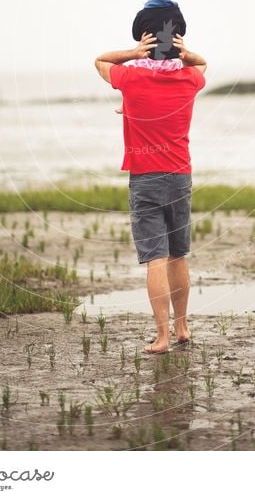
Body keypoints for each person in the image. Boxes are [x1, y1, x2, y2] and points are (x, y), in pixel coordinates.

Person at [94, 31, 207, 354]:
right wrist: (186, 54)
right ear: (176, 54)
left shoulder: (131, 79)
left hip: (145, 179)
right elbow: (204, 64)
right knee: (178, 254)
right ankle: (182, 327)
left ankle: (162, 337)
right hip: (180, 176)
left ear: (147, 53)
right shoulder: (188, 80)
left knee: (156, 259)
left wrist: (133, 52)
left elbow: (100, 61)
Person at [115, 0, 187, 114]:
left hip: (148, 61)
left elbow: (136, 36)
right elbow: (182, 31)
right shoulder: (176, 12)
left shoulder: (143, 14)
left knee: (132, 82)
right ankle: (170, 105)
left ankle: (126, 104)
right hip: (170, 62)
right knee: (170, 86)